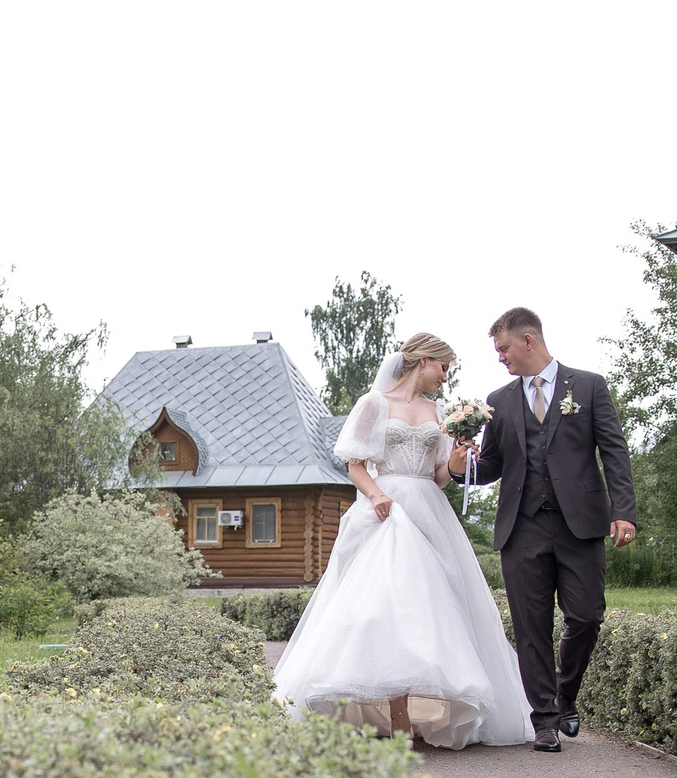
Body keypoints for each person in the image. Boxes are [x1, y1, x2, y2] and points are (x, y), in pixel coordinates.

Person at [271, 332, 533, 748]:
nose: (445, 377)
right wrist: (376, 495)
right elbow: (355, 465)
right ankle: (394, 722)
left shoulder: (440, 411)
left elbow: (439, 476)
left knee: (429, 610)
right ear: (423, 361)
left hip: (427, 507)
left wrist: (458, 460)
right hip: (386, 510)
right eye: (443, 367)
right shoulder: (374, 404)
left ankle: (414, 716)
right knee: (383, 610)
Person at [459, 307, 635, 753]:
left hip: (581, 524)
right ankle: (543, 720)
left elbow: (614, 451)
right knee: (531, 625)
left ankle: (564, 695)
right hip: (522, 527)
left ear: (528, 341)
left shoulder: (589, 386)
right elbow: (494, 466)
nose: (501, 358)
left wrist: (624, 511)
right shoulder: (498, 401)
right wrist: (464, 467)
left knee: (586, 615)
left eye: (503, 349)